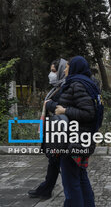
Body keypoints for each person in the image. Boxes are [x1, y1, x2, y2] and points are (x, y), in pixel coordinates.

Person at [45, 56, 102, 207]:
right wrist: (54, 106)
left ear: (75, 67)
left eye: (67, 66)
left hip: (73, 140)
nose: (65, 69)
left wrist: (64, 110)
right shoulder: (87, 83)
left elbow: (88, 113)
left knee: (71, 183)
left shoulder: (77, 84)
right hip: (82, 138)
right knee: (81, 178)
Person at [28, 58, 67, 199]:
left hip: (59, 132)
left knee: (57, 162)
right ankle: (46, 189)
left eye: (54, 71)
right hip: (54, 130)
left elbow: (60, 107)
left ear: (61, 71)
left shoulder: (64, 87)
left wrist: (50, 104)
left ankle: (47, 189)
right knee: (54, 162)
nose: (51, 74)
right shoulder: (56, 87)